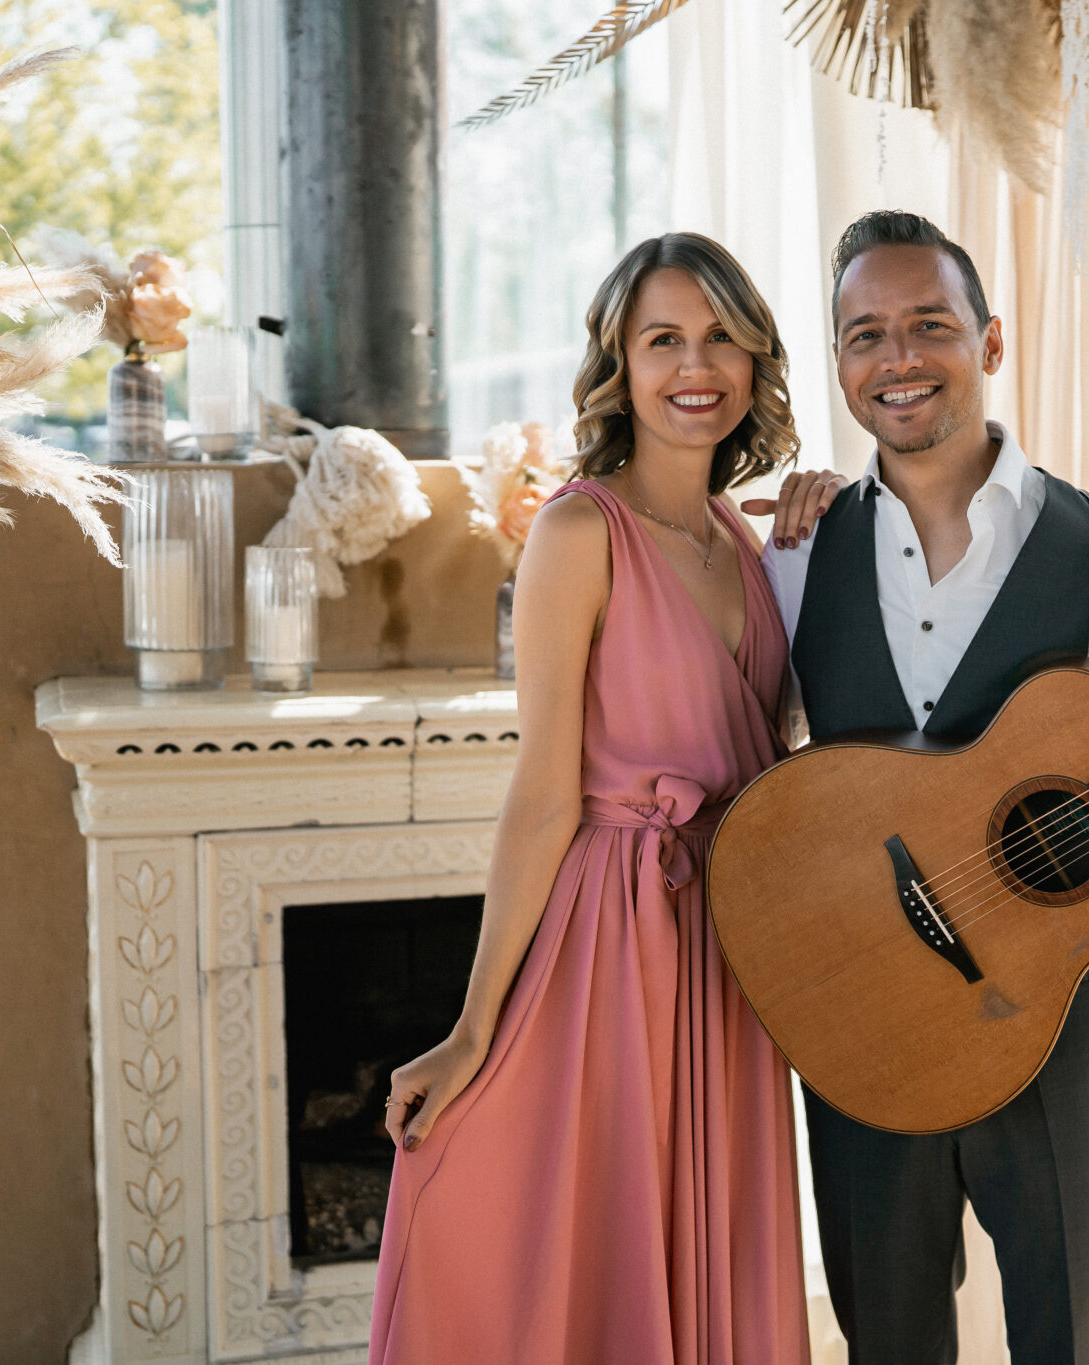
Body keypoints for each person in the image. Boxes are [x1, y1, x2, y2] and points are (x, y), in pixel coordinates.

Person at [763, 210, 1089, 1365]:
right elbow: (759, 783)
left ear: (990, 344)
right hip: (865, 1022)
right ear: (839, 363)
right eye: (864, 334)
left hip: (1062, 1024)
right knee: (885, 1342)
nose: (896, 357)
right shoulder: (791, 552)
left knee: (1076, 1342)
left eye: (929, 325)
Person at [368, 233, 842, 1365]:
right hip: (611, 941)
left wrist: (829, 523)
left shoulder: (746, 537)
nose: (696, 364)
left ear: (755, 358)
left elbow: (786, 754)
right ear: (619, 367)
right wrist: (472, 1028)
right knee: (578, 1248)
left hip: (729, 942)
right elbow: (542, 792)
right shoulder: (580, 531)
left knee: (707, 1248)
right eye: (663, 339)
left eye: (721, 335)